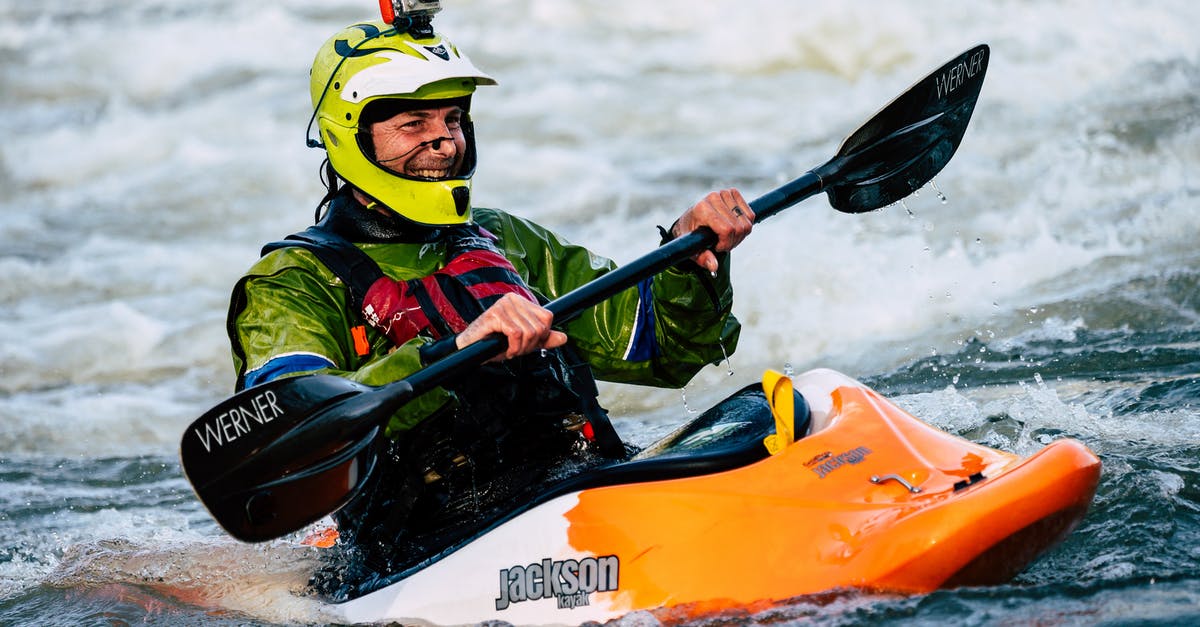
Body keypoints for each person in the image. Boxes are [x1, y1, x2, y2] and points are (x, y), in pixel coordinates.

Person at [226, 17, 753, 596]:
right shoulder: (292, 283)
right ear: (350, 136)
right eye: (412, 124)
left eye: (453, 119)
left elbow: (663, 349)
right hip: (423, 556)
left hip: (583, 492)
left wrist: (686, 254)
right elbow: (291, 435)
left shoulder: (503, 239)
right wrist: (453, 350)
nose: (444, 142)